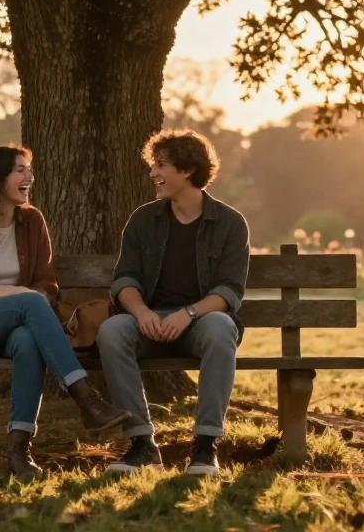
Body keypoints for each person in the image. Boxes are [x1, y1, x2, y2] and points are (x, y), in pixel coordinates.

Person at [0, 145, 129, 480]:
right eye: (19, 170)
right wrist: (22, 295)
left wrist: (34, 295)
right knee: (30, 302)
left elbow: (45, 280)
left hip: (17, 326)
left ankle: (19, 449)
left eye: (29, 169)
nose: (29, 177)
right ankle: (86, 399)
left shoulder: (32, 221)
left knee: (27, 339)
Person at [97, 129, 250, 475]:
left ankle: (204, 447)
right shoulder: (143, 220)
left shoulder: (230, 223)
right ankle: (141, 444)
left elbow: (229, 291)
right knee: (111, 331)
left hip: (200, 322)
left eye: (161, 165)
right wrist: (141, 312)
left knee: (220, 327)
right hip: (148, 321)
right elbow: (125, 279)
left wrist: (189, 313)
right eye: (154, 164)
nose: (153, 173)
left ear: (187, 170)